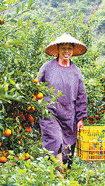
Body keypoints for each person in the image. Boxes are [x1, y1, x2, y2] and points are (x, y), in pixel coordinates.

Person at [37, 33, 88, 174]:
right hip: (49, 113)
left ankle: (62, 177)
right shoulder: (47, 67)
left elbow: (81, 96)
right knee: (55, 141)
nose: (66, 51)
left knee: (67, 150)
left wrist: (80, 118)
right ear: (57, 49)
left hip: (68, 115)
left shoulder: (76, 72)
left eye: (69, 48)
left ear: (73, 51)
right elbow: (36, 86)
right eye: (63, 48)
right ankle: (55, 176)